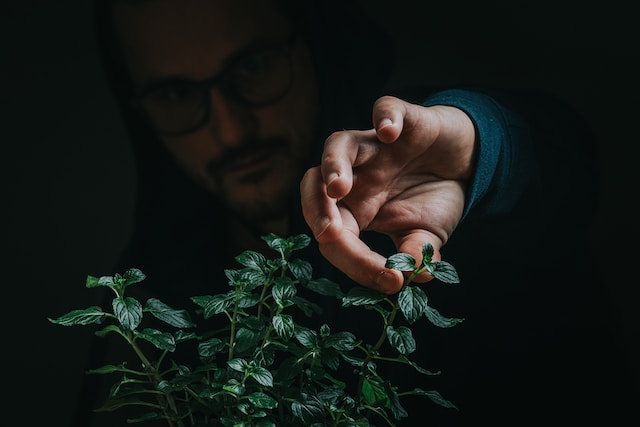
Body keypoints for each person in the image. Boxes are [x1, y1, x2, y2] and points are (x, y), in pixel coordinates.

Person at [74, 0, 638, 426]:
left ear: (314, 40)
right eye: (174, 94)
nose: (231, 129)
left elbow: (561, 162)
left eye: (253, 66)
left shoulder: (409, 171)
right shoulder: (157, 291)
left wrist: (476, 149)